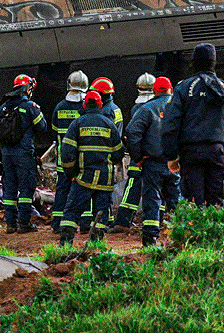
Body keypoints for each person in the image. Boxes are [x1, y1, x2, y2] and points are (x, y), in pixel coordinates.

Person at [161, 43, 224, 207]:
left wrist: (171, 156)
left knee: (193, 200)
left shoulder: (183, 88)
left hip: (190, 153)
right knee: (216, 201)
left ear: (194, 62)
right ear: (214, 63)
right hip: (218, 152)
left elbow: (171, 124)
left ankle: (196, 223)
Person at [58, 83, 124, 246]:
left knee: (72, 211)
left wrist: (71, 173)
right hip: (104, 179)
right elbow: (118, 153)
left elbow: (66, 152)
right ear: (100, 105)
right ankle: (96, 244)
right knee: (101, 212)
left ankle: (65, 244)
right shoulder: (109, 124)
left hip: (83, 178)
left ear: (84, 105)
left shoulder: (77, 124)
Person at [124, 75, 178, 245]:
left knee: (152, 199)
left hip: (153, 163)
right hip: (175, 164)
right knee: (176, 199)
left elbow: (132, 132)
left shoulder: (147, 109)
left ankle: (150, 238)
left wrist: (138, 157)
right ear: (171, 90)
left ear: (154, 91)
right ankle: (180, 235)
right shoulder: (180, 108)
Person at [0, 73, 49, 234]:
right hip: (24, 154)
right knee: (26, 189)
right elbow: (42, 127)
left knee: (9, 189)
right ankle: (24, 224)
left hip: (7, 154)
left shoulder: (4, 107)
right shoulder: (30, 106)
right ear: (27, 89)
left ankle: (11, 224)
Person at [113, 73, 155, 231]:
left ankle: (122, 221)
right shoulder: (160, 106)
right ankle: (160, 221)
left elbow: (131, 133)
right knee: (158, 190)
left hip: (138, 157)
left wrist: (136, 157)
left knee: (132, 187)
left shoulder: (136, 108)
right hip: (155, 157)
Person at [49, 71, 88, 233]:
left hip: (63, 159)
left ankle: (57, 222)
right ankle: (84, 223)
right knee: (83, 190)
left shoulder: (59, 107)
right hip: (81, 158)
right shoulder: (85, 107)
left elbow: (54, 132)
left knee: (62, 189)